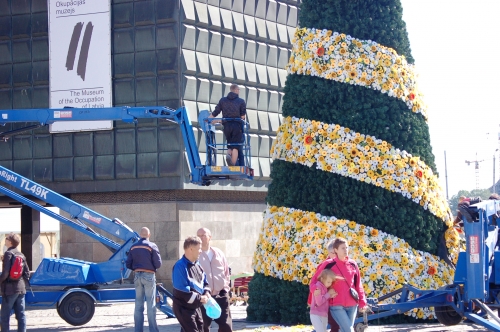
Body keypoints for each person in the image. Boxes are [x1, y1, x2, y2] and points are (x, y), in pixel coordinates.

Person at [126, 227, 162, 332]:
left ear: (140, 235)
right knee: (151, 304)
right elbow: (158, 264)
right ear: (149, 235)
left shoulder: (133, 247)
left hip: (137, 276)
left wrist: (136, 268)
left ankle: (138, 330)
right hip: (149, 276)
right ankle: (153, 330)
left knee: (138, 304)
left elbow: (128, 263)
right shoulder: (152, 246)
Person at [172, 236, 211, 332]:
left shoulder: (198, 265)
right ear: (191, 249)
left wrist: (206, 293)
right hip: (183, 307)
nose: (201, 251)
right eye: (199, 249)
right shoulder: (180, 266)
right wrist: (200, 298)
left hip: (196, 306)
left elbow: (205, 283)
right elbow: (181, 291)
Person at [197, 228, 232, 332]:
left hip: (220, 294)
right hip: (204, 296)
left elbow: (226, 271)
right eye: (198, 236)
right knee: (203, 326)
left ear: (210, 237)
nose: (200, 238)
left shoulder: (218, 253)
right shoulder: (196, 255)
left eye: (203, 235)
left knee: (226, 326)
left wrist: (226, 288)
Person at [208, 84, 246, 166]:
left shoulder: (223, 100)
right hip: (237, 126)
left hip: (226, 126)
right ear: (236, 90)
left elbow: (216, 111)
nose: (239, 91)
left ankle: (228, 155)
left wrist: (209, 119)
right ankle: (232, 164)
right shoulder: (241, 101)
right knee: (235, 146)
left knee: (229, 144)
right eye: (238, 89)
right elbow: (242, 117)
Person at [0, 233, 30, 332]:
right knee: (21, 315)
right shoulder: (21, 254)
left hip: (9, 290)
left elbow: (5, 273)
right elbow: (27, 273)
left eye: (7, 238)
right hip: (21, 289)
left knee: (4, 316)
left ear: (10, 241)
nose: (5, 239)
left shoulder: (8, 254)